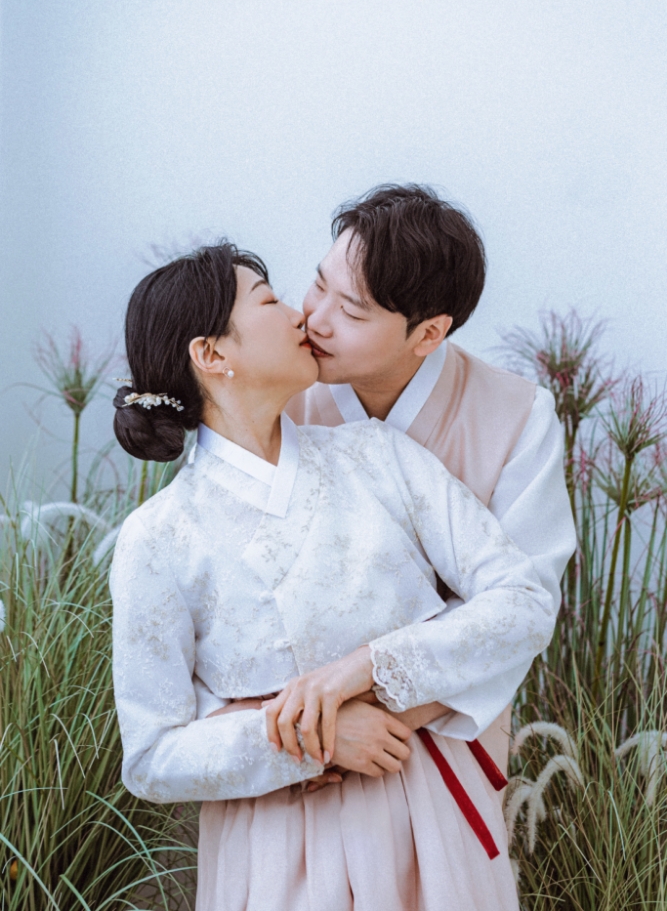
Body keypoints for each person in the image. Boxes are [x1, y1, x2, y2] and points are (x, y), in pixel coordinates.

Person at [111, 242, 557, 911]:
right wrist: (314, 743)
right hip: (270, 848)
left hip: (422, 814)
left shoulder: (377, 454)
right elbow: (151, 757)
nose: (300, 314)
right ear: (211, 354)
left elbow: (522, 602)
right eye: (268, 300)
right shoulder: (158, 536)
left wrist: (364, 671)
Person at [286, 183, 575, 776]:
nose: (316, 319)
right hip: (285, 734)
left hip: (440, 741)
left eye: (352, 311)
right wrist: (314, 730)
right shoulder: (276, 396)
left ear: (428, 334)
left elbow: (526, 605)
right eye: (318, 285)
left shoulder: (518, 416)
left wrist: (375, 708)